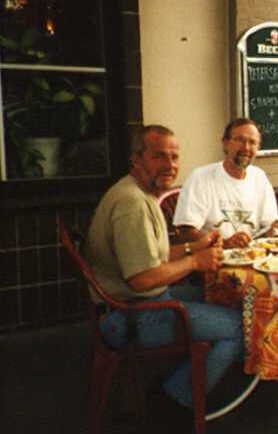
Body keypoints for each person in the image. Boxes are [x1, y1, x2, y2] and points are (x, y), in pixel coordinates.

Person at [84, 125, 243, 409]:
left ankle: (188, 378)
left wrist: (196, 246)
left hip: (134, 305)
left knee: (223, 298)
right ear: (137, 159)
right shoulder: (132, 204)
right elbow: (142, 279)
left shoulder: (139, 192)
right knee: (240, 326)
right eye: (159, 156)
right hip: (129, 318)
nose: (170, 165)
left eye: (174, 157)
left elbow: (152, 255)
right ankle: (173, 400)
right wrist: (194, 262)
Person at [173, 118, 278, 248]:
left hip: (255, 256)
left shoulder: (259, 177)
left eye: (252, 142)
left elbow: (270, 225)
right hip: (213, 256)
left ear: (258, 147)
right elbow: (185, 231)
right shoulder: (200, 178)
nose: (246, 147)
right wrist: (223, 243)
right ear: (225, 144)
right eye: (240, 140)